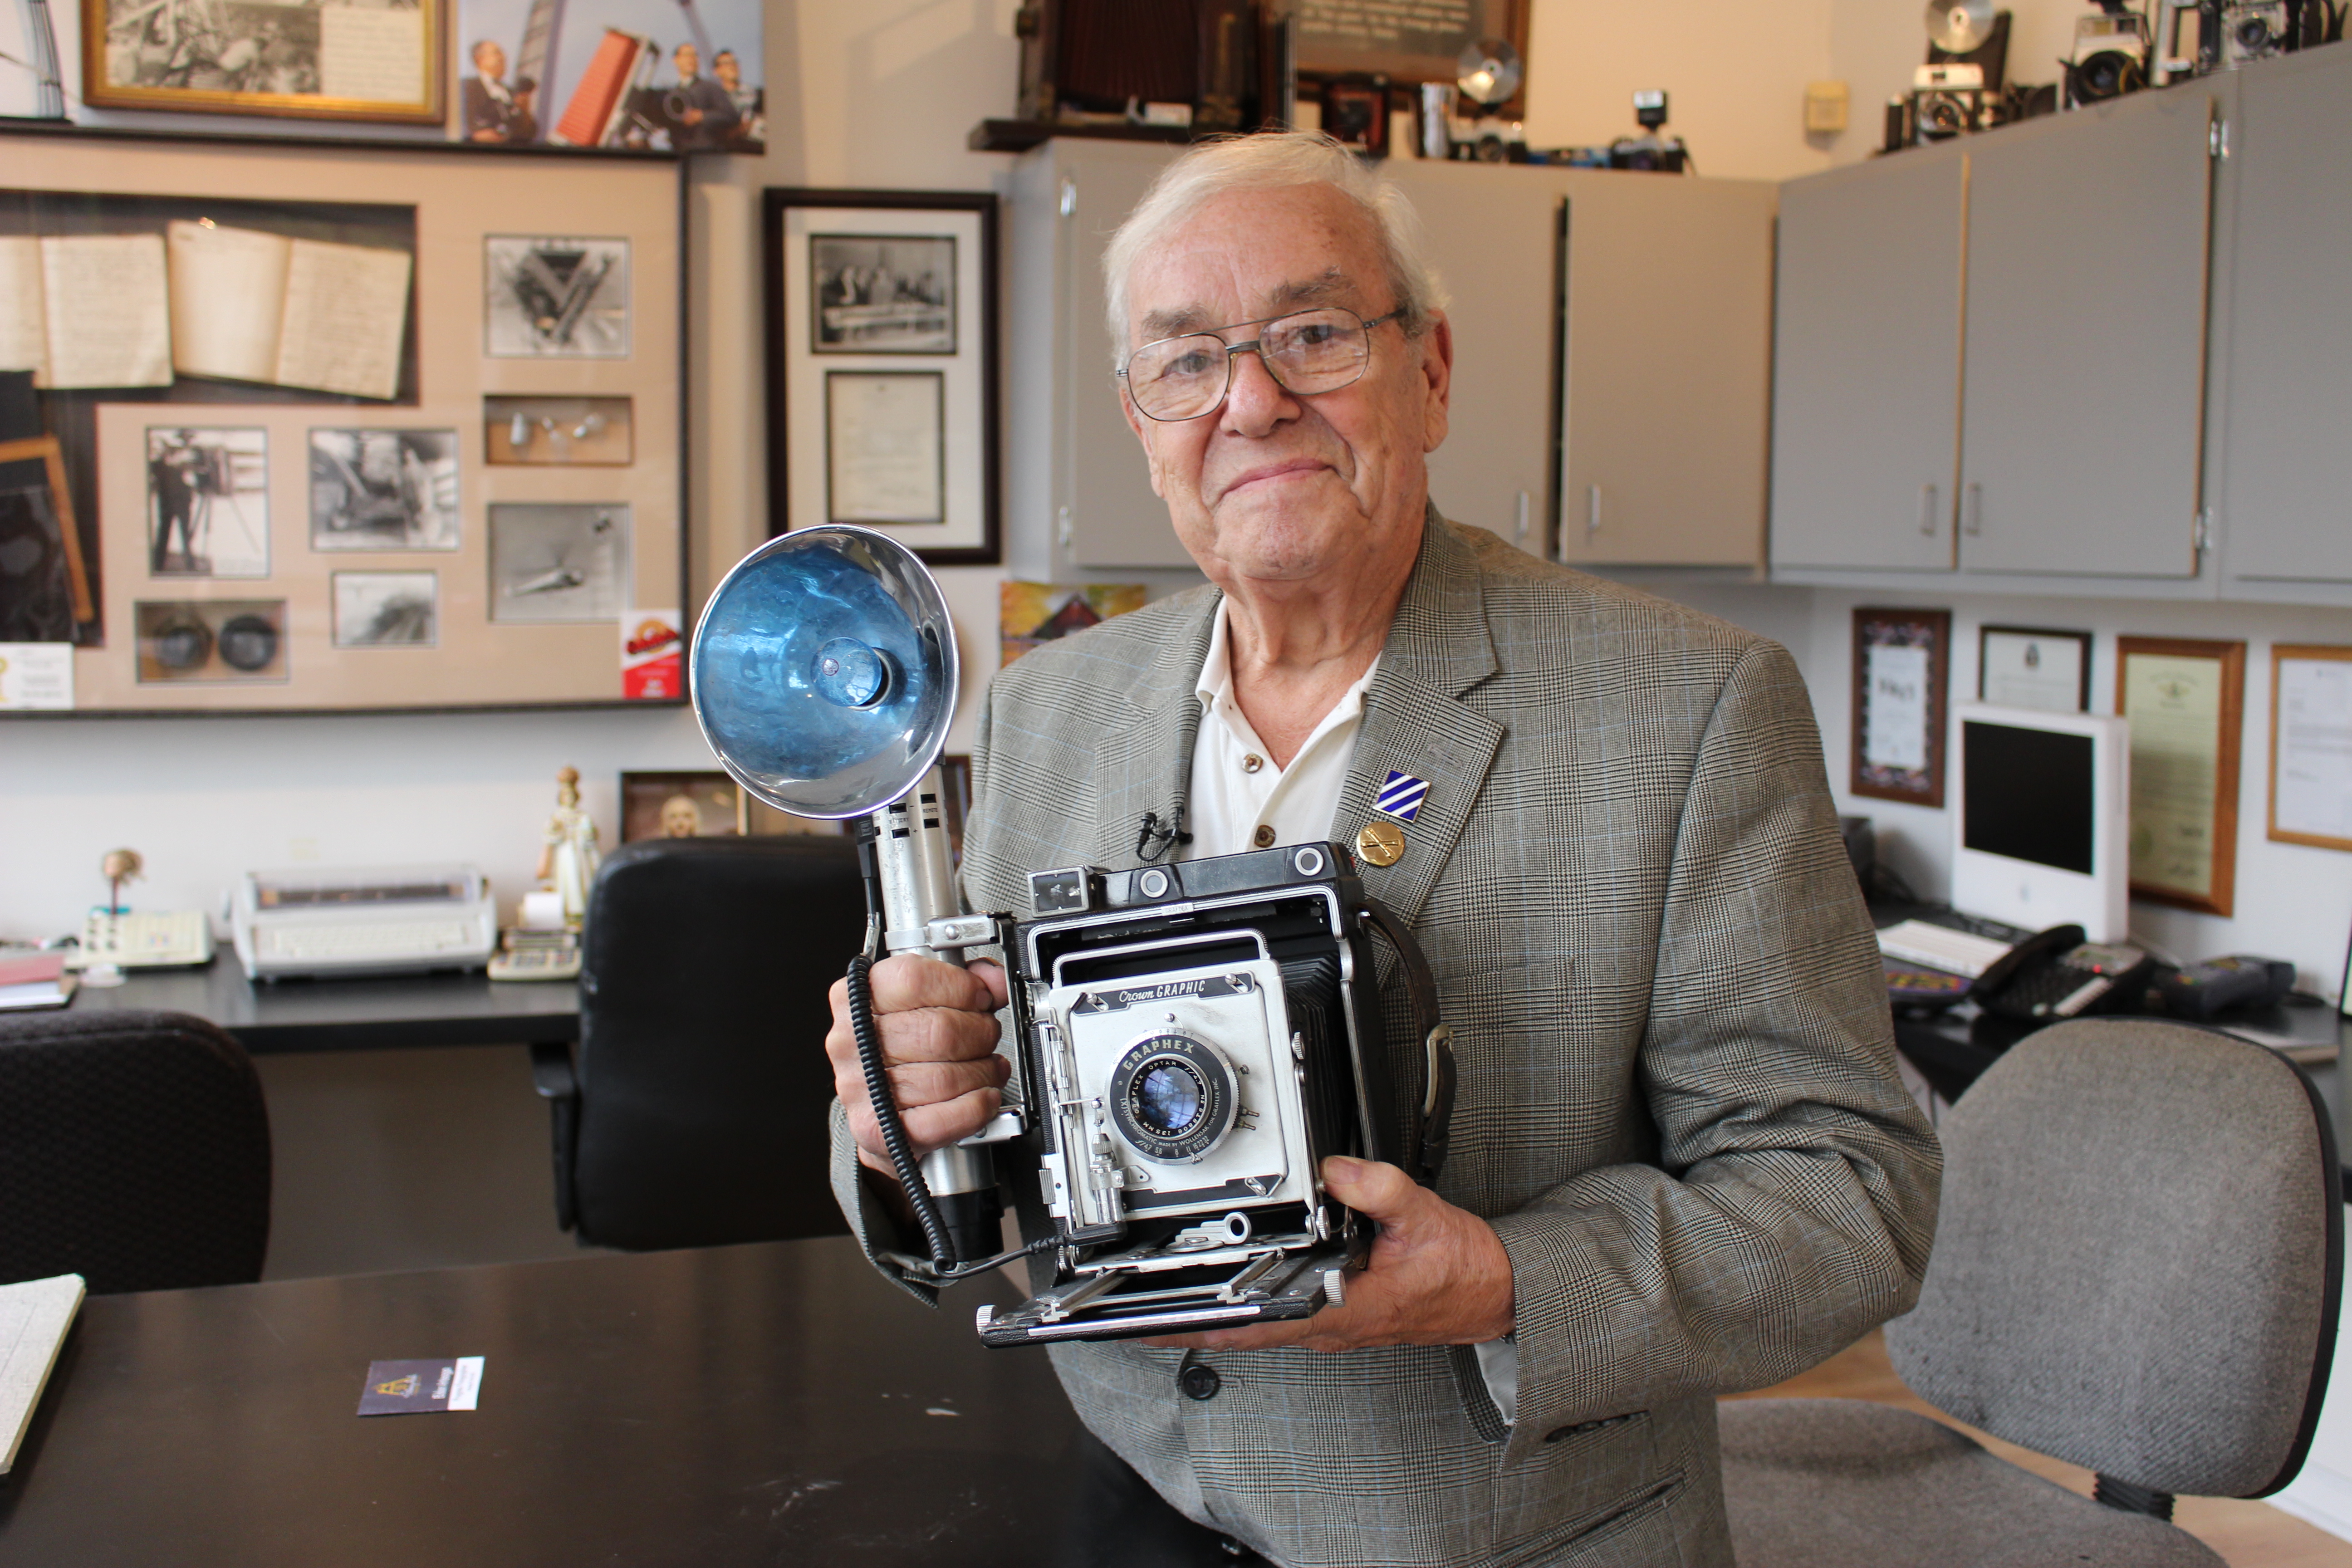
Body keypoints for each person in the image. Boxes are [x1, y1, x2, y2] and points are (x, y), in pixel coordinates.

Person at [822, 132, 1940, 1568]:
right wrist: (898, 1117)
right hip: (1130, 1508)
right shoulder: (1052, 710)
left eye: (1314, 333)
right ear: (1142, 420)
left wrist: (1502, 1283)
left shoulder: (1688, 709)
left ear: (1434, 372)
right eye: (1188, 362)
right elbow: (975, 1141)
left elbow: (1849, 1194)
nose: (1252, 401)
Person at [536, 766, 600, 930]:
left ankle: (582, 913)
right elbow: (551, 835)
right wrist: (555, 830)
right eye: (566, 796)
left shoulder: (582, 816)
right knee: (565, 882)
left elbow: (590, 836)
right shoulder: (557, 816)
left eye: (572, 795)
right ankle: (567, 914)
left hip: (580, 856)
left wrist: (587, 832)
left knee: (581, 881)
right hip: (564, 855)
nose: (569, 799)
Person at [662, 43, 737, 151]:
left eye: (695, 55)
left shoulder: (710, 87)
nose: (692, 59)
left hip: (707, 155)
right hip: (679, 153)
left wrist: (701, 117)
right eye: (687, 55)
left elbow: (731, 116)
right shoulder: (671, 94)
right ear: (676, 60)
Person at [461, 39, 537, 143]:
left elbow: (529, 134)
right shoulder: (467, 87)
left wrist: (525, 112)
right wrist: (474, 135)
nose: (503, 57)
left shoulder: (511, 93)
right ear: (480, 59)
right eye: (497, 53)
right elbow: (459, 120)